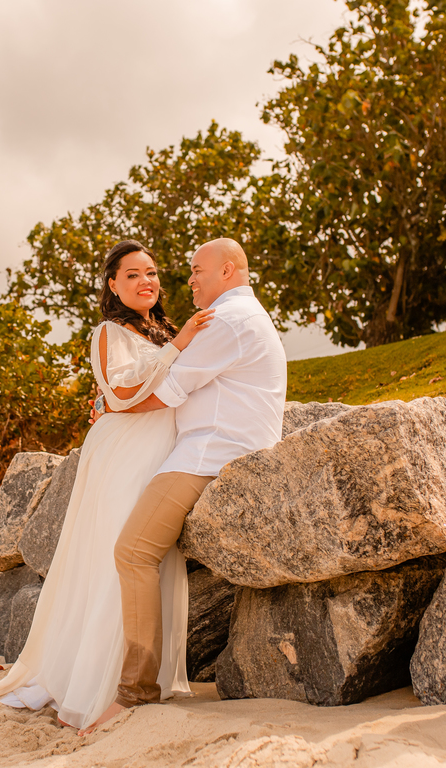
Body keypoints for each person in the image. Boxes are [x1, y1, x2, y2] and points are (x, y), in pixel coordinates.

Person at [0, 239, 214, 730]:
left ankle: (141, 678)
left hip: (163, 450)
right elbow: (117, 395)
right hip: (124, 451)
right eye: (134, 275)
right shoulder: (109, 331)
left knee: (149, 561)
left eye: (153, 273)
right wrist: (178, 347)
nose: (147, 282)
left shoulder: (162, 329)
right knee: (115, 560)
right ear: (113, 285)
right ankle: (98, 682)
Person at [84, 237, 286, 734]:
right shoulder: (241, 316)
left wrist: (115, 405)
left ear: (229, 270)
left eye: (198, 270)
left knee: (133, 552)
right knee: (139, 554)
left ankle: (134, 693)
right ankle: (139, 685)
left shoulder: (228, 320)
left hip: (209, 454)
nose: (189, 279)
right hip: (214, 448)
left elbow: (165, 391)